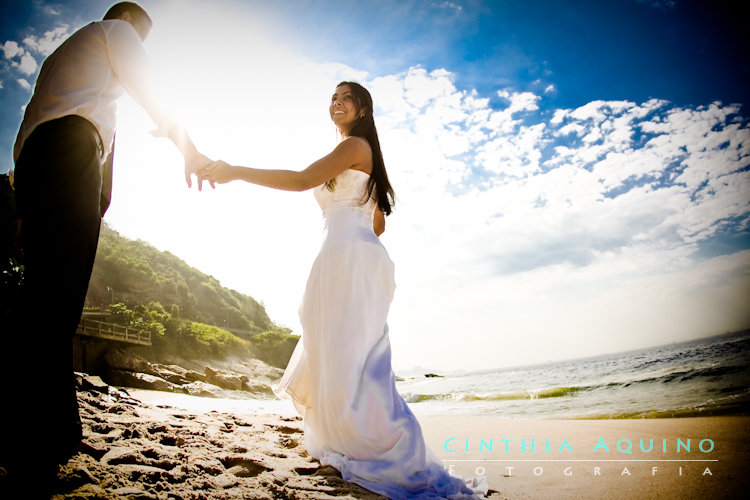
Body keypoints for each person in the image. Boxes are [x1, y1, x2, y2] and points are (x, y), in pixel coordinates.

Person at [200, 81, 487, 499]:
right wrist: (356, 212)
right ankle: (354, 439)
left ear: (363, 110)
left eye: (345, 98)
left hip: (347, 258)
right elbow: (378, 223)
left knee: (352, 356)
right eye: (332, 97)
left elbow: (301, 181)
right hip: (349, 255)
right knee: (345, 353)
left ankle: (380, 444)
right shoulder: (360, 155)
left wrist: (235, 171)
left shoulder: (354, 146)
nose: (336, 103)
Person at [0, 2, 208, 492]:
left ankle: (43, 431)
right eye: (144, 34)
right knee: (60, 297)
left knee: (41, 294)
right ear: (130, 22)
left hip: (36, 162)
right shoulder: (115, 31)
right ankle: (40, 441)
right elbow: (148, 89)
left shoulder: (65, 56)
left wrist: (25, 207)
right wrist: (189, 147)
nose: (142, 43)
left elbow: (29, 128)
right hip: (68, 152)